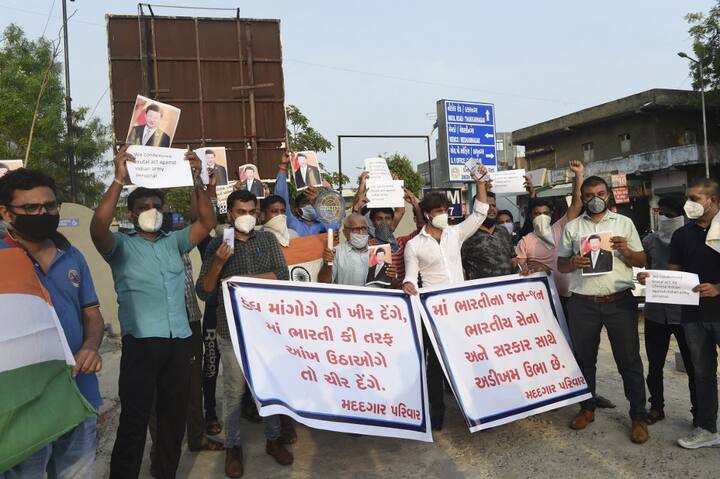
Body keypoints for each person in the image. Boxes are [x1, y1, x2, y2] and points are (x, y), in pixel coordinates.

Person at [91, 146, 216, 479]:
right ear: (130, 214)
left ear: (164, 210)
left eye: (156, 206)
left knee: (173, 420)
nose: (150, 210)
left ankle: (165, 473)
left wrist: (196, 178)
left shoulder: (174, 241)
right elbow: (97, 227)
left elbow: (207, 221)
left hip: (178, 343)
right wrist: (119, 179)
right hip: (141, 346)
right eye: (143, 207)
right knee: (134, 420)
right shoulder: (120, 246)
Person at [0, 169, 104, 478]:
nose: (42, 213)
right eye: (30, 208)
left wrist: (90, 346)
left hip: (77, 393)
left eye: (49, 206)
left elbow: (92, 314)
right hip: (23, 405)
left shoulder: (73, 256)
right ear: (6, 212)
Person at [196, 190, 294, 478]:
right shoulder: (218, 243)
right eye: (241, 211)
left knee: (268, 388)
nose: (247, 217)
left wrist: (241, 280)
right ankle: (233, 446)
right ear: (230, 214)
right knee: (233, 392)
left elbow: (282, 274)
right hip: (231, 329)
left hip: (266, 330)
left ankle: (273, 440)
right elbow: (205, 290)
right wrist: (217, 263)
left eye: (252, 211)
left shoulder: (267, 239)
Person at [557, 175, 649, 444]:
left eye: (600, 193)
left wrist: (626, 252)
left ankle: (638, 416)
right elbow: (561, 265)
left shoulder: (624, 223)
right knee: (584, 359)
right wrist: (573, 261)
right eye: (589, 195)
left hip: (619, 301)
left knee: (629, 360)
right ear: (582, 198)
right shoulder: (573, 227)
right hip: (583, 303)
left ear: (608, 194)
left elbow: (641, 259)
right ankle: (587, 408)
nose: (595, 199)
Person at [402, 168, 490, 430]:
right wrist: (407, 284)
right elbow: (410, 276)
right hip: (432, 311)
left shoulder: (455, 234)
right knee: (435, 367)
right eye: (438, 211)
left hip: (460, 309)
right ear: (427, 214)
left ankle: (477, 410)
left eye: (445, 210)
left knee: (467, 360)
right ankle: (436, 416)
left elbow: (479, 213)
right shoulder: (414, 245)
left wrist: (481, 183)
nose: (443, 214)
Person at [668, 178, 720, 449]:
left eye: (696, 198)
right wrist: (654, 280)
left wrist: (718, 288)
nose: (689, 203)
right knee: (702, 373)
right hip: (693, 315)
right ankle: (707, 428)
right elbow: (674, 272)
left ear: (711, 200)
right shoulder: (682, 234)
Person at [636, 196, 696, 425]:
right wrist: (643, 276)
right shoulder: (650, 241)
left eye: (670, 215)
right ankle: (656, 407)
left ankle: (698, 411)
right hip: (656, 313)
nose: (665, 219)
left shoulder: (694, 241)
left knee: (694, 366)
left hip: (686, 314)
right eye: (661, 214)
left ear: (681, 216)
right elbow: (644, 266)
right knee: (655, 365)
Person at [318, 213, 395, 287]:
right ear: (345, 233)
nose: (361, 233)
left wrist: (393, 277)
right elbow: (323, 283)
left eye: (364, 228)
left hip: (374, 299)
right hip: (347, 299)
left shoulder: (378, 252)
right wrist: (327, 263)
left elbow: (390, 287)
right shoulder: (335, 252)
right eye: (356, 229)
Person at [275, 153, 340, 236]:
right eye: (305, 203)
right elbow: (280, 199)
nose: (309, 205)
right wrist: (283, 167)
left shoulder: (323, 223)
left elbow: (335, 226)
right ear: (297, 210)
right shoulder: (292, 223)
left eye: (311, 203)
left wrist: (318, 202)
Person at [461, 191, 516, 280]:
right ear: (477, 209)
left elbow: (513, 259)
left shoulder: (503, 231)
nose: (491, 209)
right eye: (487, 206)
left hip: (507, 289)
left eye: (494, 205)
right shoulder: (467, 234)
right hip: (481, 290)